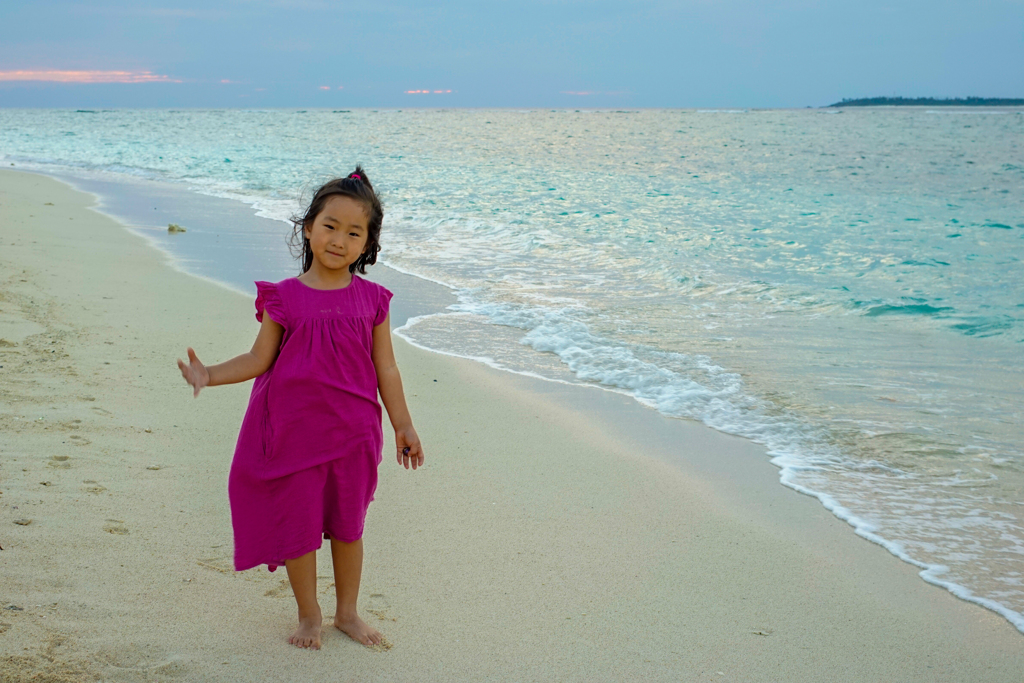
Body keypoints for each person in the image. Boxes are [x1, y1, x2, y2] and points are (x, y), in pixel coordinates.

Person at [176, 167, 423, 650]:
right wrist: (210, 374)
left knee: (349, 527)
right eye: (330, 225)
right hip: (291, 435)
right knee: (301, 529)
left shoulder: (374, 300)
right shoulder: (283, 298)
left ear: (368, 244)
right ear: (307, 228)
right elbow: (257, 358)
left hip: (353, 434)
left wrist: (403, 424)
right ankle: (309, 615)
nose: (340, 239)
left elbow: (387, 369)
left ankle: (347, 613)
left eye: (355, 232)